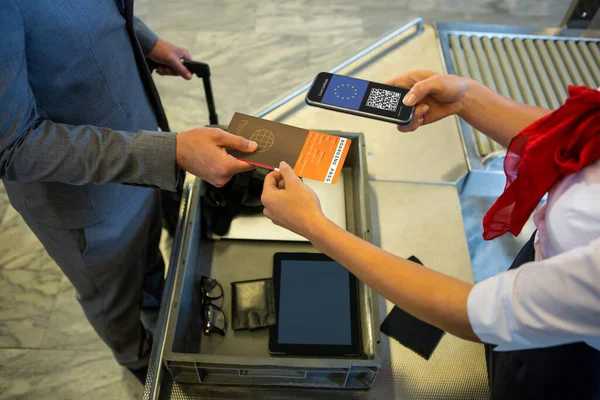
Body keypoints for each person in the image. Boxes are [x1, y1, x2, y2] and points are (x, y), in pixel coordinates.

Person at [261, 70, 600, 399]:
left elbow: (479, 314)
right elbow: (577, 136)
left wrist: (313, 226)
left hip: (566, 359)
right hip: (547, 271)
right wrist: (466, 99)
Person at [0, 0, 256, 383]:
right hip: (84, 199)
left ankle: (154, 303)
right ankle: (138, 361)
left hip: (137, 154)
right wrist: (168, 152)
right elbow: (16, 146)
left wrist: (144, 41)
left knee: (145, 255)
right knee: (113, 298)